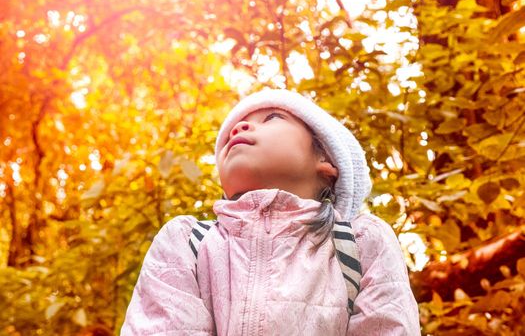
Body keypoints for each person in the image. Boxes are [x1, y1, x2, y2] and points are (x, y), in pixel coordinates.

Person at [120, 89, 420, 335]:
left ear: (327, 160)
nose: (238, 127)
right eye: (230, 132)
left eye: (272, 117)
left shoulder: (363, 243)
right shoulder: (185, 243)